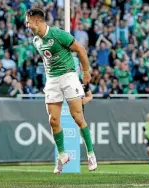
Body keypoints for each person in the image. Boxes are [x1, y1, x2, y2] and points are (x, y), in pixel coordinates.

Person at [25, 8, 97, 174]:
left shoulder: (58, 34)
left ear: (37, 21)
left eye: (28, 22)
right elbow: (46, 60)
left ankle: (91, 154)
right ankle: (62, 155)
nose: (26, 25)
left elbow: (81, 50)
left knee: (77, 117)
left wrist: (86, 72)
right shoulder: (35, 40)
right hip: (52, 80)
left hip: (68, 76)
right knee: (53, 120)